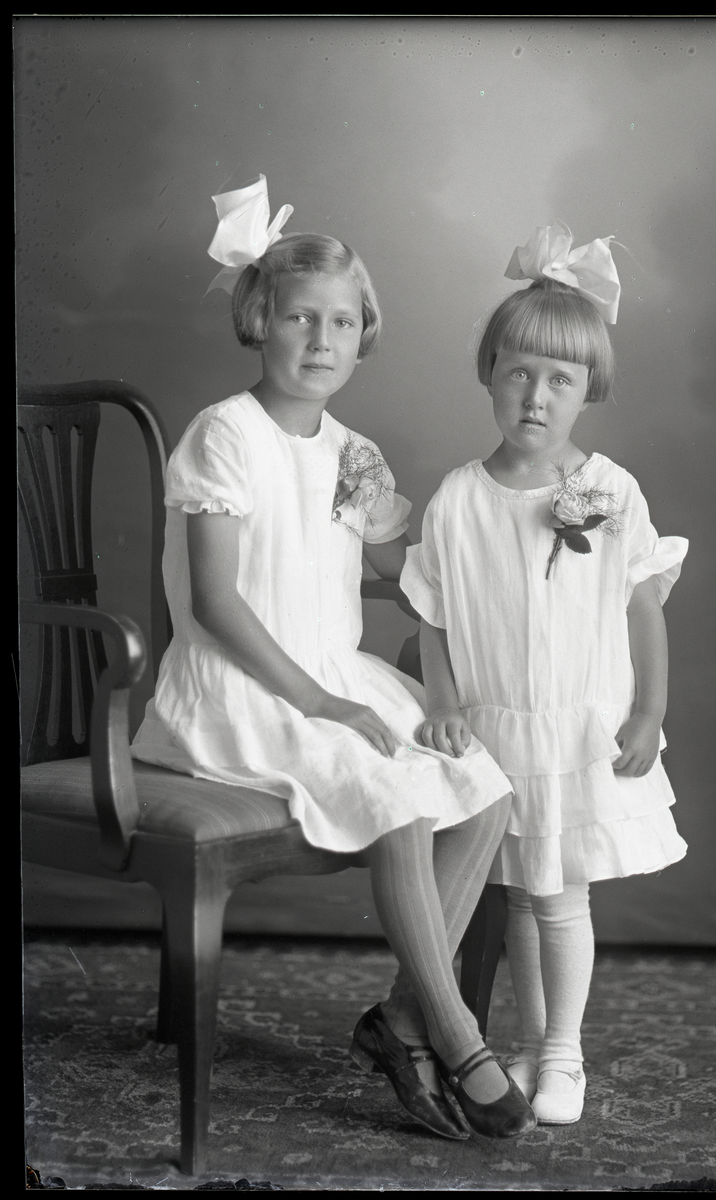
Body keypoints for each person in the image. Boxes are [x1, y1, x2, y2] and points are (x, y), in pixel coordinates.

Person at [131, 176, 537, 1142]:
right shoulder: (225, 434)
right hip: (241, 686)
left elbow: (401, 569)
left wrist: (505, 535)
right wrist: (322, 702)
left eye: (343, 323)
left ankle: (400, 1017)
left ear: (364, 337)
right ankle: (454, 1033)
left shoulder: (353, 452)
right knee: (393, 791)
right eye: (300, 318)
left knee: (484, 788)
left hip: (333, 673)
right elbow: (219, 604)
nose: (322, 340)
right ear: (258, 321)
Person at [400, 223, 689, 1126]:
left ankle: (564, 1051)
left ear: (587, 388)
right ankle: (530, 1045)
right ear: (489, 373)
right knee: (526, 894)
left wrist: (648, 714)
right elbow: (433, 617)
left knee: (561, 897)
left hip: (577, 722)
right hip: (499, 727)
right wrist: (443, 702)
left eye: (560, 379)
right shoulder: (458, 499)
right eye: (519, 373)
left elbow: (641, 605)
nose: (535, 396)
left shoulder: (608, 489)